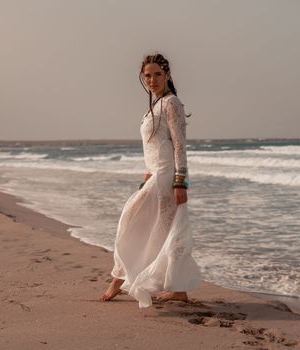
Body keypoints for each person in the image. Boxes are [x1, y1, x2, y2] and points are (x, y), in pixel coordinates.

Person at [100, 53, 202, 308]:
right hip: (154, 177)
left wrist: (181, 182)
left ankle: (118, 280)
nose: (152, 80)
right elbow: (153, 148)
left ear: (167, 75)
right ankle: (177, 289)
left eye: (157, 74)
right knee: (163, 231)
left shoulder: (171, 104)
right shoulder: (154, 106)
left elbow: (179, 147)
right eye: (147, 75)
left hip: (168, 178)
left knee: (136, 224)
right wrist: (145, 177)